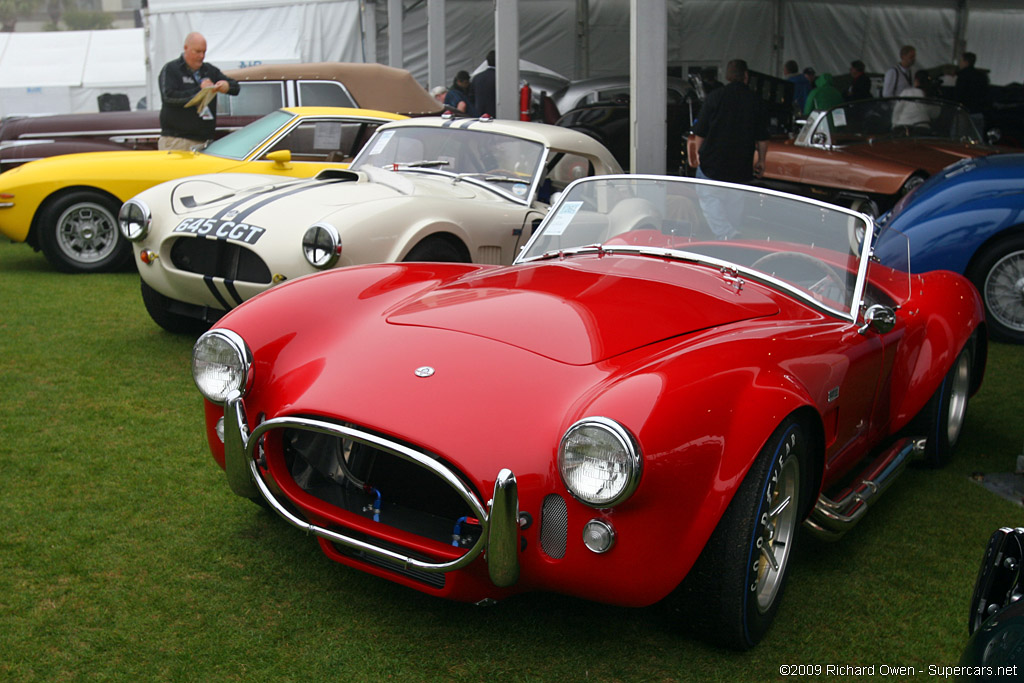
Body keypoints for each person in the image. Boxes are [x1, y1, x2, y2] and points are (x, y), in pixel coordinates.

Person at [691, 59, 770, 239]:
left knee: (709, 197)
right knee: (735, 201)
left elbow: (700, 131)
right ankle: (732, 234)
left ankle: (726, 234)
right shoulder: (756, 100)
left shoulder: (715, 96)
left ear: (727, 76)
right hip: (741, 164)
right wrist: (762, 161)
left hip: (713, 161)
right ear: (746, 76)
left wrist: (698, 152)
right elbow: (762, 138)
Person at [158, 32, 239, 150]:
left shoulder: (209, 70)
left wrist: (227, 86)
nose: (201, 56)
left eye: (204, 52)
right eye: (197, 51)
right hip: (178, 141)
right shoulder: (171, 69)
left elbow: (236, 87)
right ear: (186, 48)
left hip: (205, 141)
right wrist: (200, 90)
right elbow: (168, 97)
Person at [955, 51, 990, 132]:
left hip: (964, 112)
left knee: (958, 137)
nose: (960, 63)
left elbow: (959, 94)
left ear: (965, 62)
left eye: (961, 61)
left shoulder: (962, 75)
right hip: (978, 112)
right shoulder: (982, 76)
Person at [471, 50, 496, 118]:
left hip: (478, 114)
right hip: (496, 115)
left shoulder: (477, 78)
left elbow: (471, 97)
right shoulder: (500, 78)